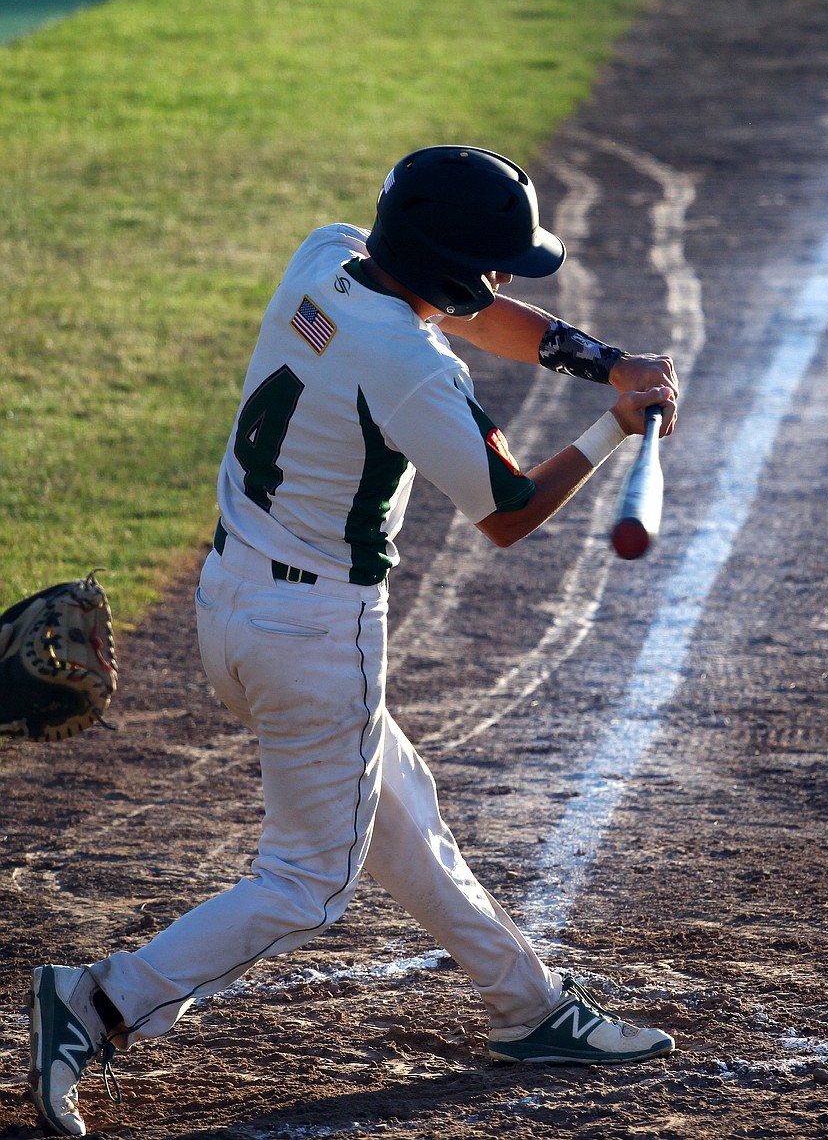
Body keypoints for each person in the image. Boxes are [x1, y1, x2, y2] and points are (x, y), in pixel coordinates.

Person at [27, 144, 680, 1137]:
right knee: (308, 880)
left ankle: (530, 1005)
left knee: (399, 807)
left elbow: (480, 307)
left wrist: (601, 360)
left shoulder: (327, 257)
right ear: (452, 265)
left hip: (232, 602)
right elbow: (506, 515)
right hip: (316, 638)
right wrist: (612, 428)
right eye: (495, 262)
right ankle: (100, 1003)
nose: (505, 280)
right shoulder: (414, 370)